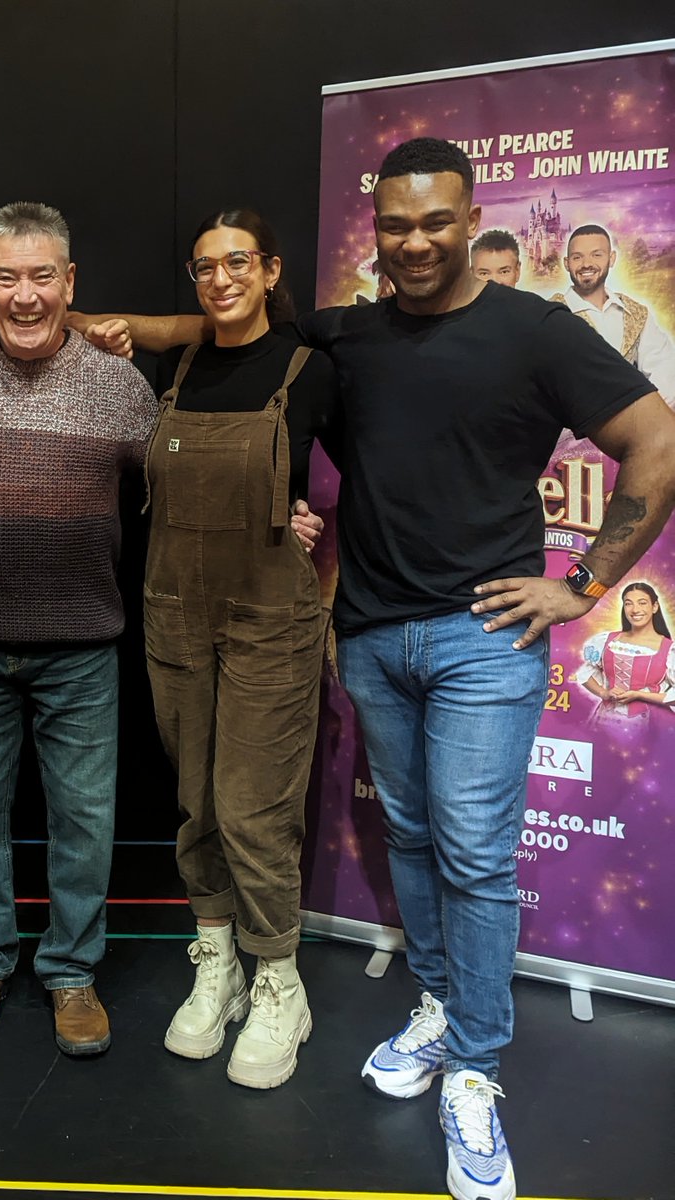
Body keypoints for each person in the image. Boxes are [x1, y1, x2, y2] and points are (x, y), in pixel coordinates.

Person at [80, 137, 675, 1200]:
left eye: (432, 222)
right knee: (408, 833)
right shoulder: (344, 332)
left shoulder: (534, 331)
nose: (410, 242)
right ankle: (440, 1005)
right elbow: (212, 326)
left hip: (482, 638)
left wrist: (582, 583)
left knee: (474, 856)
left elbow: (655, 439)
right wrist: (97, 326)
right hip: (368, 630)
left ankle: (476, 1075)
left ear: (467, 216)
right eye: (393, 224)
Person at [0, 202, 156, 1056]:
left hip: (83, 647)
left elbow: (170, 490)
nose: (25, 296)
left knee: (84, 821)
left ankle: (71, 973)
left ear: (70, 283)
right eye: (7, 277)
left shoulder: (119, 385)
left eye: (41, 275)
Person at [144, 209, 337, 1089]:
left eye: (235, 264)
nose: (218, 280)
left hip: (269, 619)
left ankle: (277, 983)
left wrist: (315, 536)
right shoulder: (176, 370)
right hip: (177, 611)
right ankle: (214, 960)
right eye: (202, 268)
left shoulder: (310, 370)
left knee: (255, 810)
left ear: (268, 269)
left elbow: (376, 478)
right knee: (196, 805)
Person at [553, 224, 675, 406]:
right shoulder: (549, 314)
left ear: (611, 259)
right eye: (577, 257)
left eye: (597, 255)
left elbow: (664, 373)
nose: (586, 264)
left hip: (640, 425)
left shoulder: (637, 314)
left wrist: (640, 422)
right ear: (567, 263)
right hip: (572, 430)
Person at [575, 581, 673, 725]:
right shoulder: (607, 640)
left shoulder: (669, 649)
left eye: (642, 603)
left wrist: (639, 695)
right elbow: (585, 673)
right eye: (628, 603)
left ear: (655, 607)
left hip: (648, 724)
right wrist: (603, 693)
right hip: (606, 719)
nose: (635, 609)